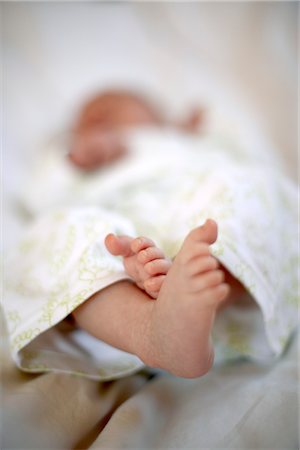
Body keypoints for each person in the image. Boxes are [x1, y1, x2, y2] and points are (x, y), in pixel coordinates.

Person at [3, 89, 297, 380]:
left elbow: (248, 153)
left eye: (115, 103)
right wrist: (75, 161)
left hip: (209, 256)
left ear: (158, 117)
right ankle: (149, 329)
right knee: (62, 228)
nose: (98, 113)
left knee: (249, 186)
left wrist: (204, 127)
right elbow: (40, 199)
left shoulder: (181, 142)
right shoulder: (71, 159)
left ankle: (192, 305)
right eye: (85, 117)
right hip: (123, 262)